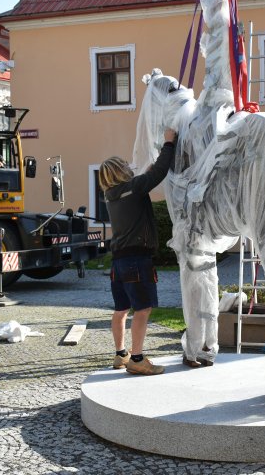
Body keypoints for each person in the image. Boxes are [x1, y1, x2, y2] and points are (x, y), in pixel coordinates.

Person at [99, 128, 177, 376]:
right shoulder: (133, 188)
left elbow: (146, 177)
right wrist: (168, 143)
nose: (128, 165)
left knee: (121, 309)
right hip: (136, 260)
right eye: (124, 164)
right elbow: (158, 172)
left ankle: (120, 354)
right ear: (119, 172)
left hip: (118, 263)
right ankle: (137, 359)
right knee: (142, 309)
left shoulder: (111, 195)